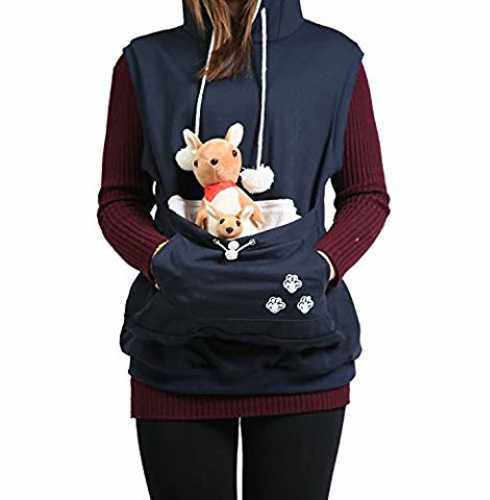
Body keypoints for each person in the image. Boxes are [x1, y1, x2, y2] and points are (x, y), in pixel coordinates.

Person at [98, 0, 390, 498]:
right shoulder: (143, 63)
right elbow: (118, 199)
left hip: (301, 357)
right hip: (177, 354)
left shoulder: (335, 59)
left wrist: (319, 267)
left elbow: (366, 195)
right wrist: (164, 262)